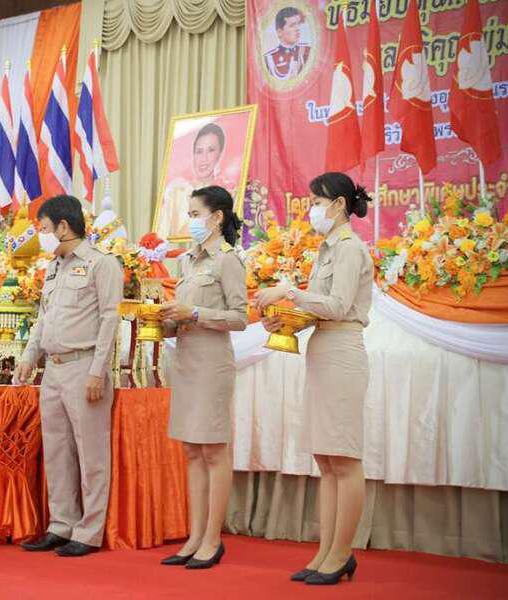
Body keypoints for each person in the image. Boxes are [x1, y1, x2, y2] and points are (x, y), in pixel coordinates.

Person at [255, 172, 373, 585]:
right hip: (323, 350)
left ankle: (341, 553)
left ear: (339, 205)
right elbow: (319, 309)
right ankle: (325, 551)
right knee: (326, 458)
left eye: (317, 203)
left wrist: (289, 291)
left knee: (344, 457)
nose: (312, 210)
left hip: (343, 351)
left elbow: (338, 306)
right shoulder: (327, 249)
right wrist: (285, 320)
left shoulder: (350, 248)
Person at [15, 195, 123, 557]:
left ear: (63, 226)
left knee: (91, 454)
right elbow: (43, 318)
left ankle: (88, 532)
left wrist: (98, 371)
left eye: (44, 227)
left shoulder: (101, 264)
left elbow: (110, 319)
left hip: (84, 366)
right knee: (57, 451)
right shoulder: (53, 267)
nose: (41, 235)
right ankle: (61, 524)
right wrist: (29, 357)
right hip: (54, 370)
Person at [158, 185, 248, 569]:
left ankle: (213, 538)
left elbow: (240, 318)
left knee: (213, 450)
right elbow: (180, 317)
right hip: (186, 362)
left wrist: (194, 314)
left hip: (212, 364)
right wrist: (161, 320)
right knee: (192, 450)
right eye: (189, 214)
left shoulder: (228, 260)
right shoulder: (186, 261)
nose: (190, 221)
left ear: (217, 217)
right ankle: (194, 536)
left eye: (195, 214)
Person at [157, 123, 239, 240]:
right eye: (199, 151)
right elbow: (162, 235)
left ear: (220, 154)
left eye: (211, 150)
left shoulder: (230, 192)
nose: (204, 158)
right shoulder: (176, 191)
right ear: (193, 154)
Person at [264, 6, 311, 81]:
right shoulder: (269, 59)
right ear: (280, 32)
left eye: (298, 24)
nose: (297, 28)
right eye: (292, 25)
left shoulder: (308, 52)